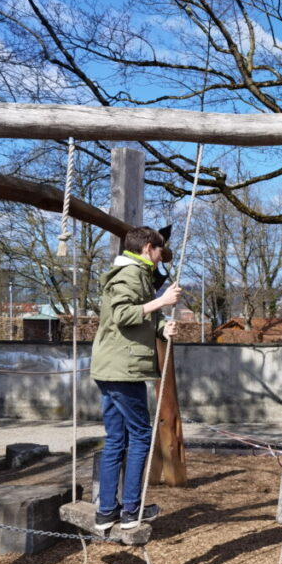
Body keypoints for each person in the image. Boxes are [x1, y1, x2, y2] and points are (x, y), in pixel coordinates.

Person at [90, 226, 181, 531]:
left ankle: (106, 512)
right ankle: (130, 510)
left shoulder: (136, 274)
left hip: (113, 366)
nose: (160, 257)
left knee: (117, 438)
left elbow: (137, 320)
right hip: (124, 369)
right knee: (141, 435)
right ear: (147, 249)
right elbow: (123, 316)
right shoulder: (130, 275)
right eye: (159, 250)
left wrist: (161, 328)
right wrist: (162, 301)